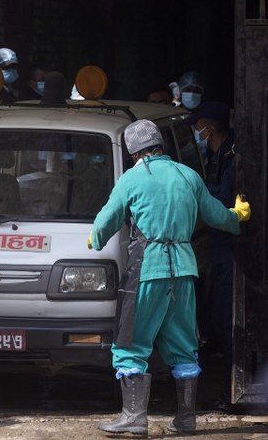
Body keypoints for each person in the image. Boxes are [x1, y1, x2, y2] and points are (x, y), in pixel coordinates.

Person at [89, 119, 250, 435]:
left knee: (131, 343)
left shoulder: (132, 179)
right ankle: (186, 419)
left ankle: (134, 418)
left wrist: (95, 238)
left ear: (134, 150)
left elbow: (106, 221)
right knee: (183, 344)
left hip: (147, 271)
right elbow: (219, 216)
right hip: (184, 271)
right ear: (160, 145)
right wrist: (238, 216)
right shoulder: (187, 175)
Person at [191, 102, 236, 411]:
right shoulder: (216, 156)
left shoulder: (233, 158)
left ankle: (236, 392)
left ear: (212, 127)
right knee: (216, 318)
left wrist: (200, 196)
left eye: (200, 126)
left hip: (232, 249)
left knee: (226, 320)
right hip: (218, 246)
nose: (197, 133)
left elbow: (222, 202)